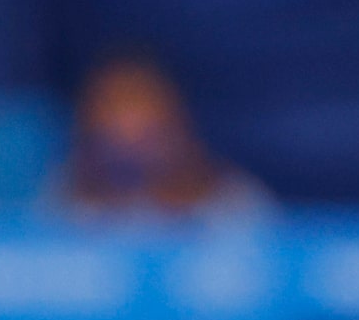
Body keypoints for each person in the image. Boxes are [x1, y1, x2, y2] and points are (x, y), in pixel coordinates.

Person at [54, 54, 265, 217]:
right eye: (113, 108)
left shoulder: (234, 207)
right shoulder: (59, 204)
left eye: (148, 133)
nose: (129, 138)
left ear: (178, 122)